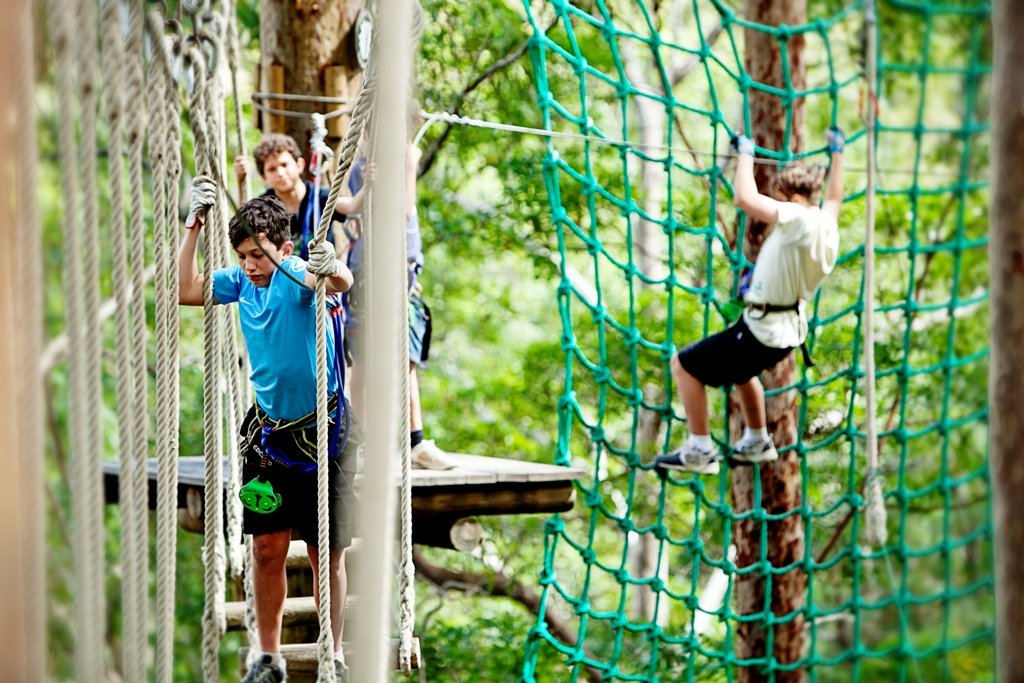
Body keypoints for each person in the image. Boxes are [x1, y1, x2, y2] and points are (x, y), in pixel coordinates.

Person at [180, 180, 356, 683]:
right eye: (242, 256)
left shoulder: (295, 274)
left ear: (283, 247)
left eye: (258, 255)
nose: (251, 265)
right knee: (265, 550)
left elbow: (337, 282)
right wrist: (194, 225)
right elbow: (185, 290)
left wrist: (332, 265)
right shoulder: (241, 283)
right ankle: (268, 656)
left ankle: (332, 654)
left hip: (323, 438)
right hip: (270, 442)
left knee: (326, 554)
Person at [655, 128, 845, 475]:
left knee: (682, 365)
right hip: (786, 329)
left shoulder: (798, 217)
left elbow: (744, 198)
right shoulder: (826, 222)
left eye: (780, 199)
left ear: (792, 197)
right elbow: (835, 198)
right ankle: (757, 440)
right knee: (742, 371)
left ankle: (700, 449)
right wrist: (838, 154)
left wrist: (746, 152)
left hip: (765, 329)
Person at [345, 127, 454, 470]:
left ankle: (415, 441)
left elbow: (406, 215)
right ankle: (361, 442)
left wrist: (405, 162)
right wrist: (405, 167)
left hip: (403, 277)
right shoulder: (363, 166)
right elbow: (399, 211)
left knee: (405, 358)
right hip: (371, 273)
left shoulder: (393, 160)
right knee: (363, 360)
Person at [234, 133, 371, 259]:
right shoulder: (265, 205)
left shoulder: (318, 197)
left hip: (319, 273)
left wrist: (369, 184)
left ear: (299, 165)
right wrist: (240, 182)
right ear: (264, 177)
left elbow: (353, 206)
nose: (280, 173)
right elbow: (244, 226)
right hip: (283, 275)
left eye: (284, 165)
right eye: (272, 169)